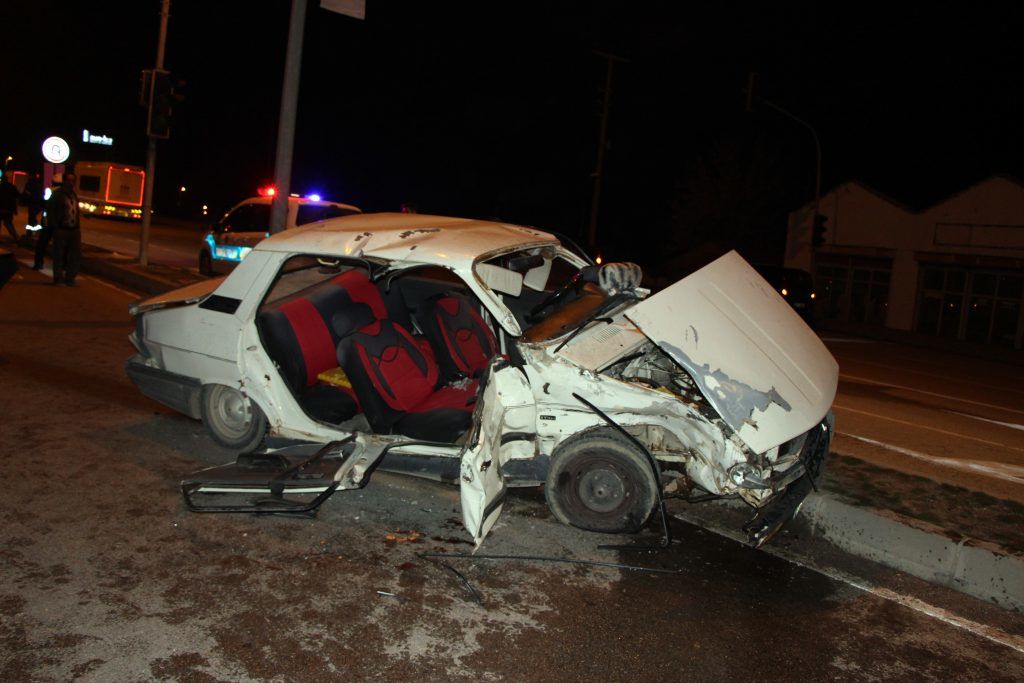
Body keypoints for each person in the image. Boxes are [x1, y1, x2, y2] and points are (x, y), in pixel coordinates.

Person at [46, 171, 81, 286]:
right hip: (61, 229)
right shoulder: (57, 195)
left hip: (74, 230)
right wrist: (55, 227)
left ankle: (70, 278)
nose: (71, 183)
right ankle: (58, 278)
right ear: (64, 181)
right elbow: (51, 211)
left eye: (73, 181)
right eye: (68, 180)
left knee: (74, 255)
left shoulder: (74, 195)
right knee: (59, 255)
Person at [0, 174, 19, 243]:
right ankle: (16, 237)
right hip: (9, 209)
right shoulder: (12, 187)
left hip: (1, 207)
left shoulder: (0, 186)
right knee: (8, 223)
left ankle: (16, 237)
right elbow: (18, 195)